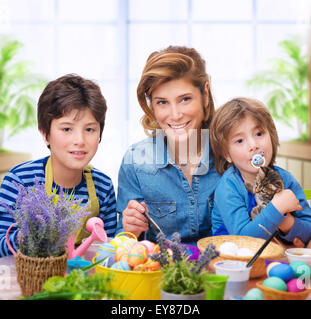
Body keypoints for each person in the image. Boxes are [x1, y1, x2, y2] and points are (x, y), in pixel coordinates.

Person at [0, 74, 117, 257]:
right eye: (66, 129)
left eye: (89, 129)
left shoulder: (103, 187)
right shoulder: (20, 180)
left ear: (100, 134)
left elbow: (108, 251)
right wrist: (31, 234)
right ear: (45, 133)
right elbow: (0, 246)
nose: (79, 140)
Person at [116, 46, 220, 245]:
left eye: (185, 99)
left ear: (205, 95)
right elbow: (123, 243)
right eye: (162, 102)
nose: (175, 115)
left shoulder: (230, 155)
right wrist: (129, 231)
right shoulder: (135, 161)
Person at [210, 97, 311, 245]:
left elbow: (308, 228)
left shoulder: (285, 179)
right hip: (232, 260)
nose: (253, 145)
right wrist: (277, 210)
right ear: (227, 154)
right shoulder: (228, 187)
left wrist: (287, 223)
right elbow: (244, 239)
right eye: (240, 141)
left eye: (259, 134)